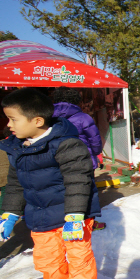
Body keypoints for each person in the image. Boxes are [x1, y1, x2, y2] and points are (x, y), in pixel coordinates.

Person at [0, 88, 100, 279]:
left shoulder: (67, 144)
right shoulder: (18, 149)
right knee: (48, 260)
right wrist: (10, 213)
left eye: (13, 119)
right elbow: (16, 184)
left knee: (78, 258)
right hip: (40, 217)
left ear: (37, 121)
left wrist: (75, 215)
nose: (9, 125)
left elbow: (78, 181)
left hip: (72, 216)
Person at [52, 87, 106, 231]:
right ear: (77, 101)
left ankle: (63, 223)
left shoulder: (49, 119)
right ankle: (88, 223)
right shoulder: (83, 118)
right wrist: (96, 154)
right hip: (84, 162)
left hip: (58, 162)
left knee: (64, 192)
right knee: (87, 193)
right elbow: (95, 141)